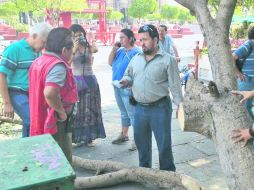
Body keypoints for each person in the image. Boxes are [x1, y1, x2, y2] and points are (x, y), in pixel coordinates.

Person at [120, 24, 183, 171]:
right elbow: (128, 74)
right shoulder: (136, 58)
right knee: (142, 144)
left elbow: (175, 85)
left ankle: (167, 176)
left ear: (155, 40)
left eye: (145, 40)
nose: (142, 43)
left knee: (164, 145)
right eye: (140, 40)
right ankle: (145, 172)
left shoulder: (168, 60)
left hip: (160, 108)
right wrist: (126, 80)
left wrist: (180, 105)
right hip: (139, 109)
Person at [29, 27, 78, 163]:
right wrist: (61, 112)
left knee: (45, 160)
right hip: (55, 122)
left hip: (39, 119)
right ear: (64, 50)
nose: (72, 54)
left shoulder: (38, 61)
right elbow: (50, 93)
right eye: (71, 50)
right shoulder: (57, 66)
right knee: (62, 162)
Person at [0, 23, 51, 137]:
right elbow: (2, 76)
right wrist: (7, 103)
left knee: (33, 122)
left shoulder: (37, 52)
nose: (44, 45)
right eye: (43, 42)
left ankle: (29, 148)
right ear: (33, 36)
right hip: (16, 92)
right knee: (33, 120)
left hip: (33, 93)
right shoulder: (14, 49)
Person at [70, 24, 106, 147]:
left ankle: (89, 137)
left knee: (90, 109)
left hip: (90, 79)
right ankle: (76, 136)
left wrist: (92, 40)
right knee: (77, 109)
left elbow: (95, 49)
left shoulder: (88, 47)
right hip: (76, 80)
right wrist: (74, 47)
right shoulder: (70, 48)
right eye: (75, 36)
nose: (79, 37)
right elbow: (67, 61)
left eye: (80, 34)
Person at [108, 29, 141, 150]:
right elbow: (110, 62)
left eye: (122, 37)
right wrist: (113, 49)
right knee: (123, 112)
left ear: (130, 38)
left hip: (128, 87)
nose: (120, 40)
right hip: (116, 85)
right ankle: (124, 134)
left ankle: (137, 139)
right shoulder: (120, 51)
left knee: (132, 114)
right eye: (119, 37)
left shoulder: (137, 52)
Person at [232, 26, 254, 120]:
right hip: (246, 81)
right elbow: (232, 57)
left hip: (250, 83)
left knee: (247, 107)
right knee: (244, 108)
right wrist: (238, 73)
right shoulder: (249, 44)